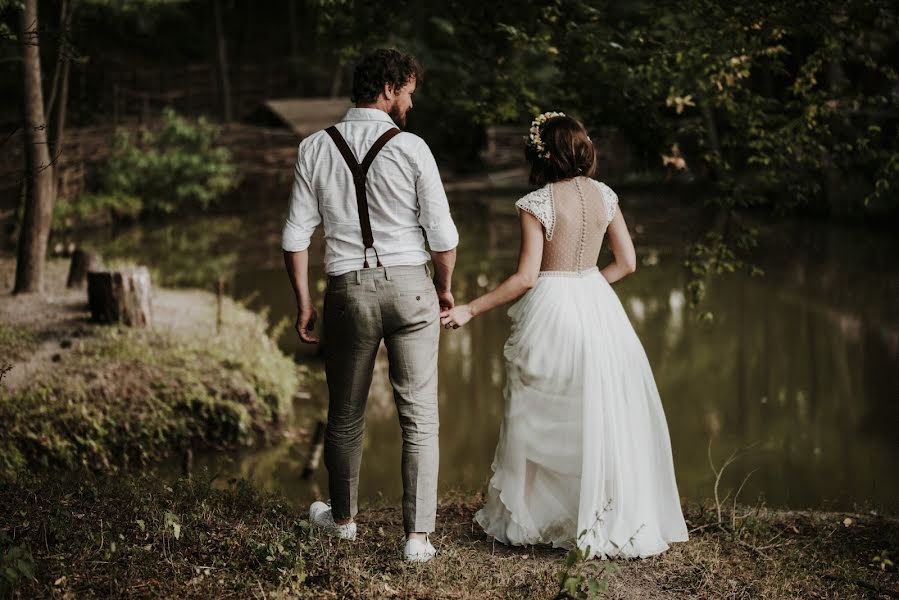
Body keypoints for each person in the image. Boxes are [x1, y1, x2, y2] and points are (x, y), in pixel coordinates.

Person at [440, 112, 689, 558]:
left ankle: (532, 520)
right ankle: (599, 515)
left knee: (540, 410)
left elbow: (525, 279)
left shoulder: (536, 203)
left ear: (541, 155)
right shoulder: (606, 196)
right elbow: (628, 263)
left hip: (552, 309)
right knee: (596, 410)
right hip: (597, 304)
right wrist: (587, 287)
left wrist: (471, 308)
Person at [282, 48, 459, 563]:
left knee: (345, 413)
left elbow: (295, 238)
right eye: (407, 92)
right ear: (387, 88)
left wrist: (303, 303)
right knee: (420, 415)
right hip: (412, 287)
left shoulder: (314, 147)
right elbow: (443, 237)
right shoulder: (413, 149)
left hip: (347, 290)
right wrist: (443, 287)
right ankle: (417, 539)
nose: (410, 103)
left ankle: (342, 523)